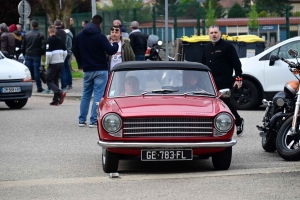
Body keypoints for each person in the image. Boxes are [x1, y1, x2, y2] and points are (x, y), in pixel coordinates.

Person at [73, 14, 119, 128]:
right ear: (100, 24)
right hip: (100, 69)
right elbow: (111, 51)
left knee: (86, 95)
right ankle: (93, 120)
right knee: (98, 94)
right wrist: (115, 44)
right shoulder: (100, 36)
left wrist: (81, 63)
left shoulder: (80, 36)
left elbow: (74, 49)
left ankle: (82, 120)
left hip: (87, 69)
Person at [201, 25, 244, 136]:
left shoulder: (227, 47)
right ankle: (213, 125)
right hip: (210, 82)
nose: (214, 35)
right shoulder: (207, 48)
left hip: (224, 81)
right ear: (208, 34)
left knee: (225, 102)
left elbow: (236, 63)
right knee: (209, 104)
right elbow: (202, 65)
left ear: (220, 33)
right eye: (211, 33)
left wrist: (238, 78)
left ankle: (238, 121)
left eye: (216, 32)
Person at [45, 25, 67, 106]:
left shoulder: (49, 40)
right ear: (55, 31)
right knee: (55, 81)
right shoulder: (60, 40)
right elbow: (65, 52)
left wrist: (47, 63)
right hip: (61, 62)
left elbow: (48, 54)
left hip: (53, 63)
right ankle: (56, 100)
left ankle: (60, 92)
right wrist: (62, 60)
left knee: (49, 80)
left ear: (49, 31)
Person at [21, 20, 45, 92]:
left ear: (31, 26)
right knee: (36, 71)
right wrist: (41, 53)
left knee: (27, 72)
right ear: (38, 26)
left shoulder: (26, 34)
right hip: (36, 55)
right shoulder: (40, 35)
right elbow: (43, 46)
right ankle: (39, 87)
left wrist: (24, 53)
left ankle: (26, 88)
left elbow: (23, 46)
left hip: (28, 54)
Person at [54, 19, 68, 91]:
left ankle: (55, 87)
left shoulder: (54, 32)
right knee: (63, 70)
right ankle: (64, 87)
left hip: (56, 52)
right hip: (63, 51)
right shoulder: (64, 33)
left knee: (55, 70)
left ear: (55, 25)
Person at [61, 22, 73, 90]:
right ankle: (69, 83)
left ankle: (66, 83)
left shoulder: (65, 35)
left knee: (64, 68)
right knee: (67, 67)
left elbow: (64, 44)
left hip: (65, 52)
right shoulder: (69, 34)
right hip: (69, 52)